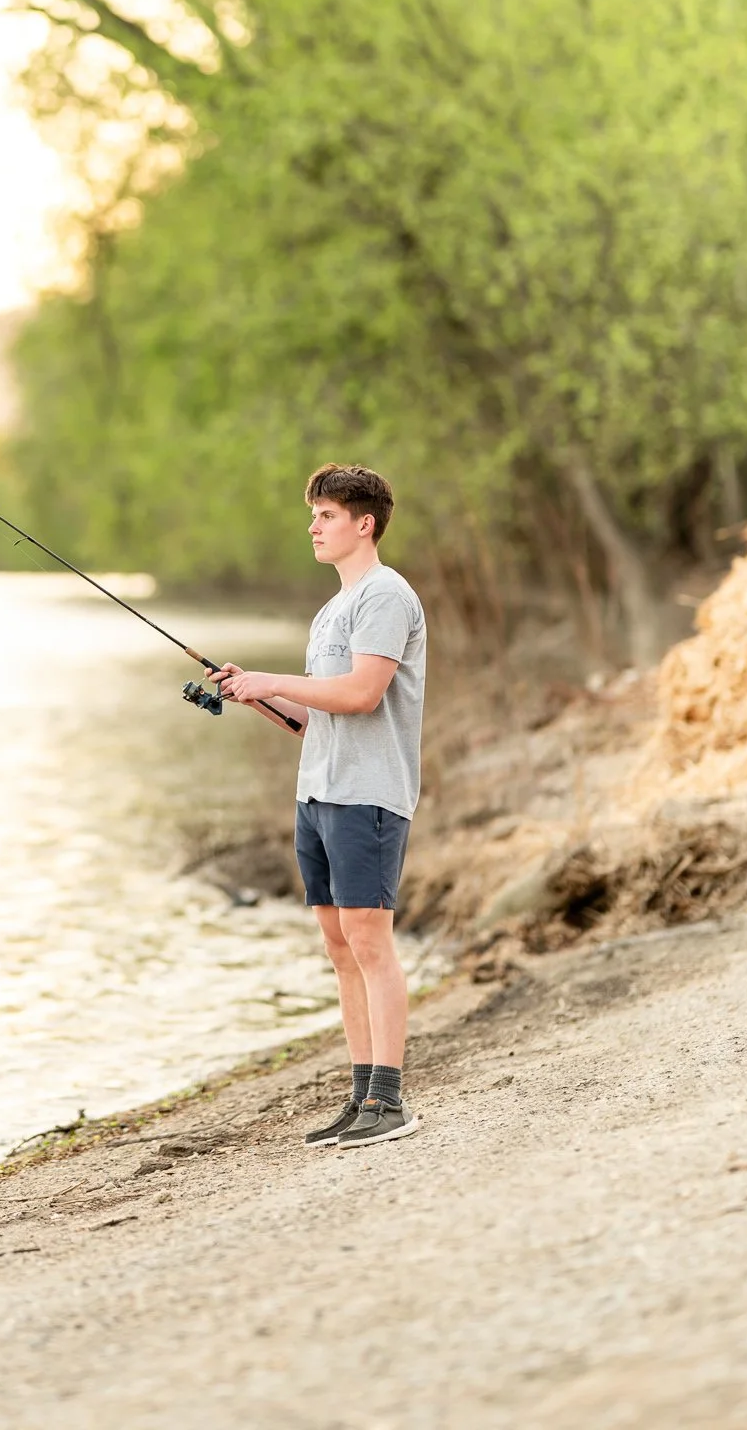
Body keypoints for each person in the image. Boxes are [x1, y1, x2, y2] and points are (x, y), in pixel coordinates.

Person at [211, 463, 426, 1147]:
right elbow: (314, 719)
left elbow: (361, 694)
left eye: (326, 514)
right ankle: (361, 1092)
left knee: (369, 940)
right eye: (313, 514)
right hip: (318, 792)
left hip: (367, 795)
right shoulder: (332, 608)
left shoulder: (385, 596)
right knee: (339, 947)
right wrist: (255, 693)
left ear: (363, 524)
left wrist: (278, 677)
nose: (313, 525)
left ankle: (390, 1102)